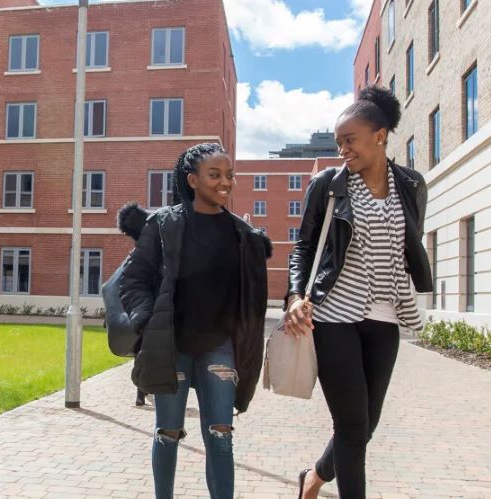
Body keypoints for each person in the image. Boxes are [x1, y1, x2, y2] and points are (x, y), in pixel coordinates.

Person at [284, 86, 431, 499]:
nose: (343, 149)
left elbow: (409, 245)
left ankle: (312, 477)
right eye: (338, 143)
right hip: (334, 316)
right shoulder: (329, 185)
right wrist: (296, 296)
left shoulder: (411, 185)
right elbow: (304, 248)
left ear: (379, 135)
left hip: (384, 316)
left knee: (367, 423)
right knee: (350, 425)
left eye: (350, 140)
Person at [114, 143, 272, 499]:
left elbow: (251, 300)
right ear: (192, 179)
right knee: (167, 433)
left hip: (219, 346)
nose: (225, 182)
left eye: (229, 175)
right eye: (214, 175)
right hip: (172, 345)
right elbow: (134, 279)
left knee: (220, 435)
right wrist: (145, 318)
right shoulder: (163, 224)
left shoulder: (242, 235)